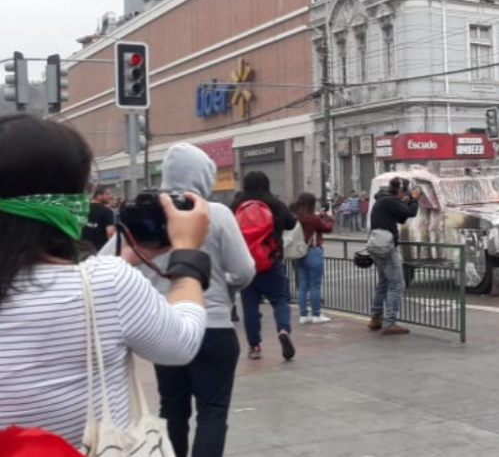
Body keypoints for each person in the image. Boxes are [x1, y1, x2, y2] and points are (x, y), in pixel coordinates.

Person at [0, 113, 211, 446]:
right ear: (66, 199)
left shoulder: (104, 281)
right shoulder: (108, 283)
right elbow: (180, 345)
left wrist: (128, 256)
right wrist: (187, 254)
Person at [103, 144, 256, 457]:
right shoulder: (216, 214)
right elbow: (244, 270)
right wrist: (224, 286)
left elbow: (105, 263)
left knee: (172, 412)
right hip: (212, 328)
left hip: (165, 330)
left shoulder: (148, 216)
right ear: (205, 177)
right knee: (212, 413)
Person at [232, 172, 298, 360]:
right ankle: (283, 330)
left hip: (246, 264)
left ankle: (254, 347)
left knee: (250, 306)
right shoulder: (275, 204)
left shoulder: (236, 204)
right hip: (271, 261)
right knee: (280, 300)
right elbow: (291, 224)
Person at [367, 177, 420, 335]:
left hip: (377, 245)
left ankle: (376, 317)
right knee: (397, 284)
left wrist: (408, 200)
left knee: (383, 282)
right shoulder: (389, 201)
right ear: (400, 190)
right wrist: (414, 199)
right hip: (387, 247)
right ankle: (390, 322)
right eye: (405, 191)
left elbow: (402, 217)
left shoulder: (383, 200)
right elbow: (411, 212)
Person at [293, 192, 334, 324]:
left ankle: (303, 315)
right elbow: (327, 228)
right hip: (313, 252)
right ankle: (316, 314)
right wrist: (330, 219)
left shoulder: (297, 217)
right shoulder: (313, 219)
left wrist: (320, 216)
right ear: (311, 204)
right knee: (315, 285)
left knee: (303, 285)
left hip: (300, 253)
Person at [81, 186, 116, 253]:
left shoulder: (82, 209)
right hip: (100, 249)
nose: (110, 196)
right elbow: (110, 232)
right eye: (107, 194)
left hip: (81, 248)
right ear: (98, 196)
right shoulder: (106, 211)